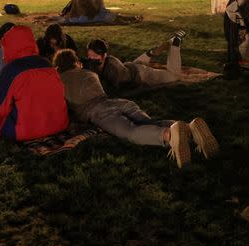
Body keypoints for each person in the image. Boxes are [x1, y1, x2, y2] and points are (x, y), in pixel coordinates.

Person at [53, 49, 218, 168]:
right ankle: (190, 128)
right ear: (76, 63)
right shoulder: (90, 73)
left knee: (131, 132)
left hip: (98, 112)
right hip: (119, 102)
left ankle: (169, 136)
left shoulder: (57, 81)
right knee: (150, 122)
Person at [85, 32, 186, 91]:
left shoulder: (112, 68)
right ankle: (149, 53)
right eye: (90, 55)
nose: (92, 58)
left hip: (142, 75)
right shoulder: (100, 62)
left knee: (174, 76)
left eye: (95, 56)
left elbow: (116, 89)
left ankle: (175, 44)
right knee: (135, 65)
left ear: (104, 55)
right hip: (131, 67)